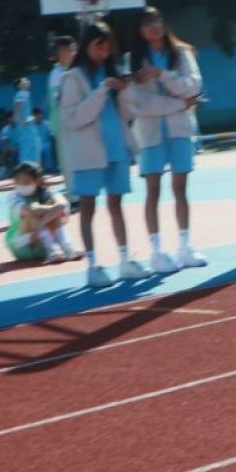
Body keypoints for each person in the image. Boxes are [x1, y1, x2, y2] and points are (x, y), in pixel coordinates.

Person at [58, 21, 153, 288]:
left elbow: (130, 112)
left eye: (108, 48)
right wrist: (102, 90)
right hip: (88, 152)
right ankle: (93, 266)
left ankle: (125, 260)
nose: (103, 53)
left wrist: (126, 90)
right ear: (86, 45)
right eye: (99, 47)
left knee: (116, 204)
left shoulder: (112, 72)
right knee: (87, 207)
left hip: (116, 147)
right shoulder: (72, 77)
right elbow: (74, 118)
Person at [128, 6, 207, 273]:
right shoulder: (132, 60)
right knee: (153, 189)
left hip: (179, 130)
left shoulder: (182, 53)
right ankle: (156, 252)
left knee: (180, 186)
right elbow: (140, 103)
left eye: (157, 20)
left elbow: (194, 86)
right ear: (139, 30)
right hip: (150, 134)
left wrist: (161, 74)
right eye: (147, 22)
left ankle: (184, 247)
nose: (154, 26)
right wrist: (179, 104)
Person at [6, 161, 77, 263]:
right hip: (23, 243)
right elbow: (31, 211)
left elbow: (63, 205)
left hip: (43, 240)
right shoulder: (13, 197)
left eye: (26, 181)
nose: (21, 184)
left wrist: (41, 224)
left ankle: (67, 247)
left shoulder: (48, 192)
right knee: (35, 212)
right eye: (17, 181)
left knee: (53, 210)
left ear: (37, 181)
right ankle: (52, 250)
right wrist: (54, 210)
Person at [48, 35, 78, 200]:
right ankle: (73, 195)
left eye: (74, 49)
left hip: (75, 122)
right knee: (67, 160)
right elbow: (59, 98)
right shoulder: (57, 73)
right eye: (69, 50)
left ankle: (77, 192)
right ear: (60, 53)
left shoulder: (72, 71)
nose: (73, 53)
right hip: (63, 123)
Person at [13, 77, 43, 166]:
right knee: (29, 151)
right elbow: (17, 107)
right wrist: (23, 120)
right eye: (24, 81)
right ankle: (28, 170)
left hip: (27, 127)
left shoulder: (25, 94)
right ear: (19, 86)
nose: (27, 81)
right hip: (27, 128)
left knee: (31, 150)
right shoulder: (22, 94)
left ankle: (32, 169)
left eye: (27, 80)